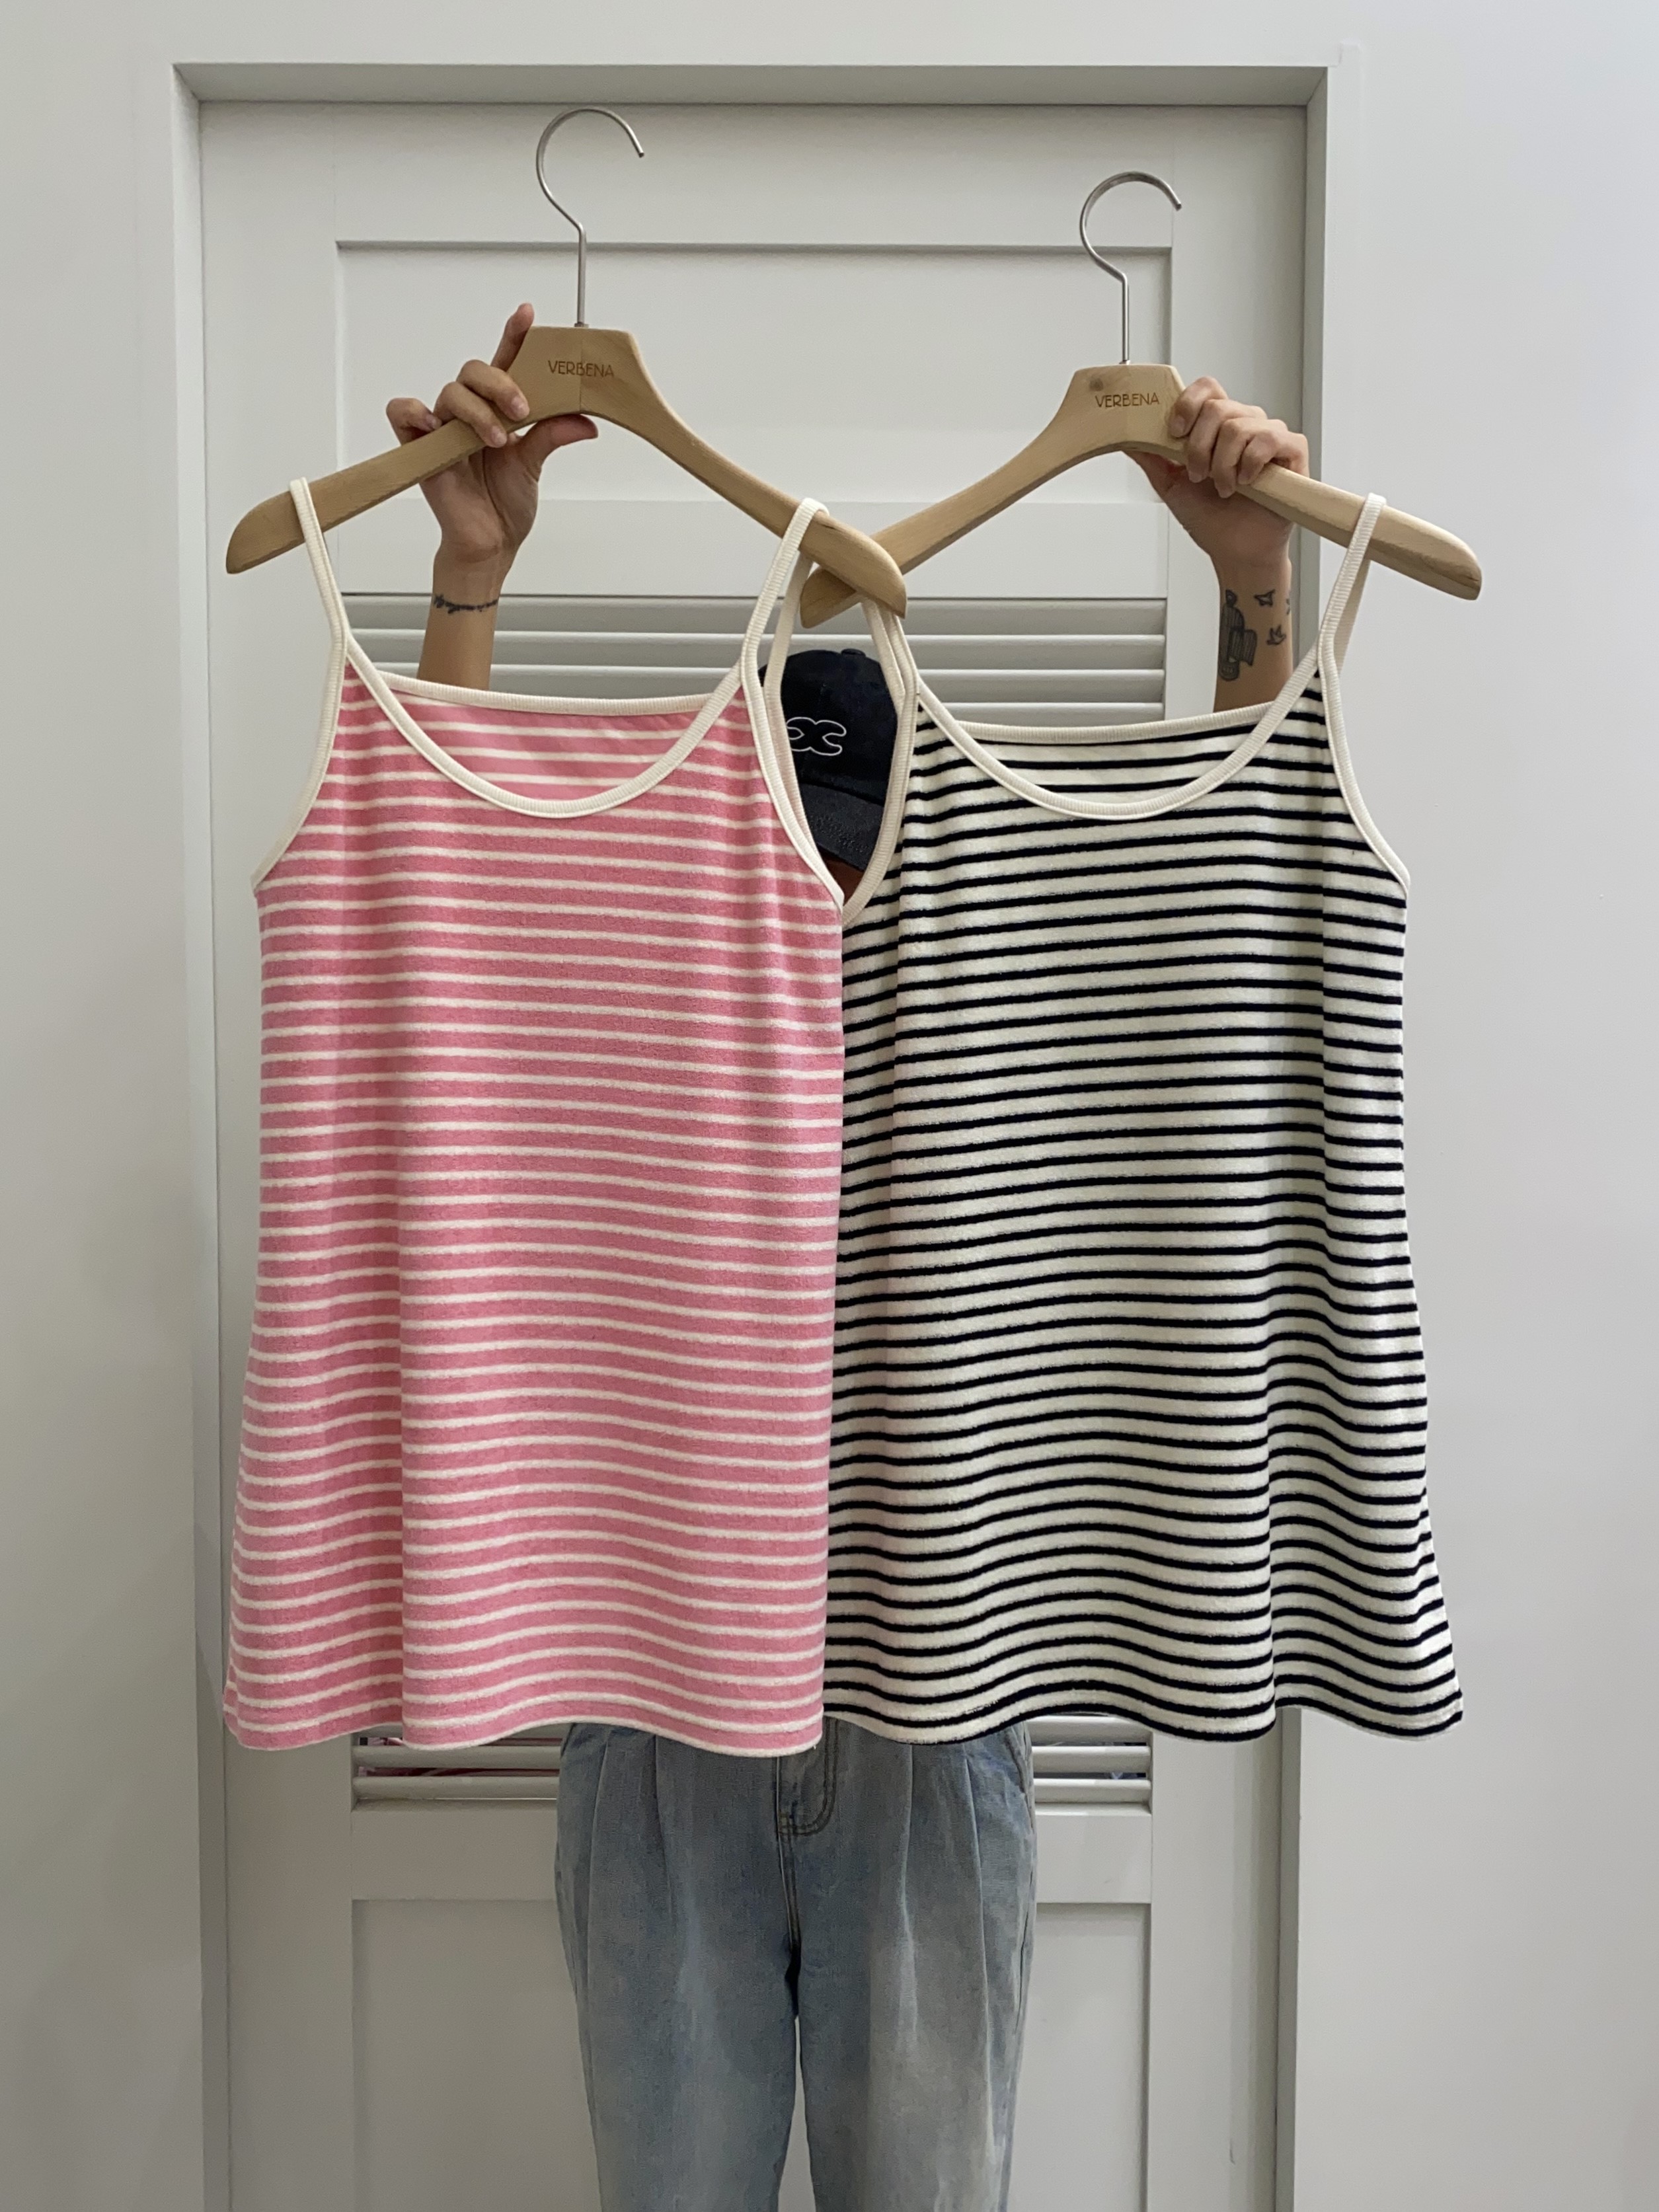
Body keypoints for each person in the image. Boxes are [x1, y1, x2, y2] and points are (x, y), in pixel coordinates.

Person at [385, 302, 1312, 2212]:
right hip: (653, 1684)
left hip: (939, 1682)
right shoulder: (640, 898)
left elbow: (1224, 892)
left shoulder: (1017, 910)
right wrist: (470, 580)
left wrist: (1254, 590)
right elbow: (452, 883)